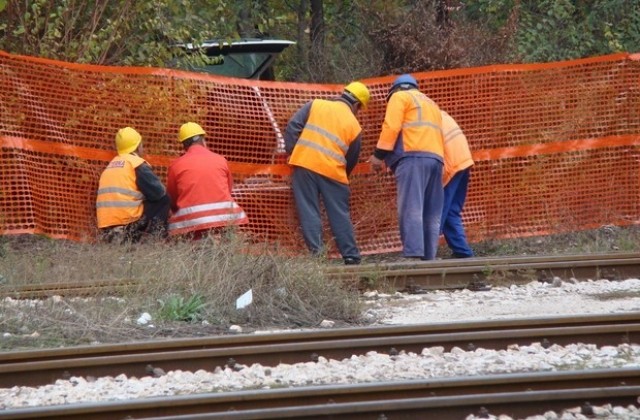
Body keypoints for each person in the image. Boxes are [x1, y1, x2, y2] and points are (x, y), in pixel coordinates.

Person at [284, 81, 370, 265]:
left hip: (304, 164)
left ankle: (318, 257)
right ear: (356, 105)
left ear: (343, 94)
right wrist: (342, 176)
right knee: (339, 214)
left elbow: (292, 127)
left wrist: (293, 152)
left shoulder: (316, 104)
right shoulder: (354, 126)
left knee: (309, 211)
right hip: (333, 172)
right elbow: (352, 158)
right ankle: (351, 256)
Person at [370, 74, 444, 260]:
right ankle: (429, 257)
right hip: (436, 159)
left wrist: (379, 156)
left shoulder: (400, 97)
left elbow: (391, 126)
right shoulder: (431, 103)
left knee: (411, 207)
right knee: (431, 211)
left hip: (412, 157)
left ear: (395, 89)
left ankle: (412, 255)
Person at [167, 122, 248, 239]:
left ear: (184, 145)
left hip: (192, 221)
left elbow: (172, 197)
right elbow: (228, 189)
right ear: (203, 140)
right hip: (225, 217)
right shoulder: (220, 160)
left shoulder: (176, 165)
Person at [96, 127, 170, 243]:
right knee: (164, 199)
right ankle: (155, 241)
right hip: (128, 223)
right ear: (137, 146)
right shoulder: (136, 164)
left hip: (106, 226)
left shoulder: (110, 166)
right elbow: (158, 192)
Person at [441, 110, 474, 258]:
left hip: (451, 165)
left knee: (437, 212)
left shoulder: (423, 117)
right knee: (450, 211)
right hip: (463, 161)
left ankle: (424, 254)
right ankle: (463, 253)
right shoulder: (439, 113)